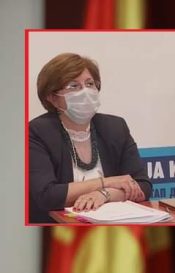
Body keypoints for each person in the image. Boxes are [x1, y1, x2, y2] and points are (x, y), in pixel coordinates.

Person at [29, 53, 151, 224]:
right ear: (53, 98)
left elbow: (143, 186)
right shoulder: (37, 132)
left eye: (90, 84)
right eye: (74, 86)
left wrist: (104, 194)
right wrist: (107, 182)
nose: (85, 92)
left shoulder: (115, 127)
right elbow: (47, 195)